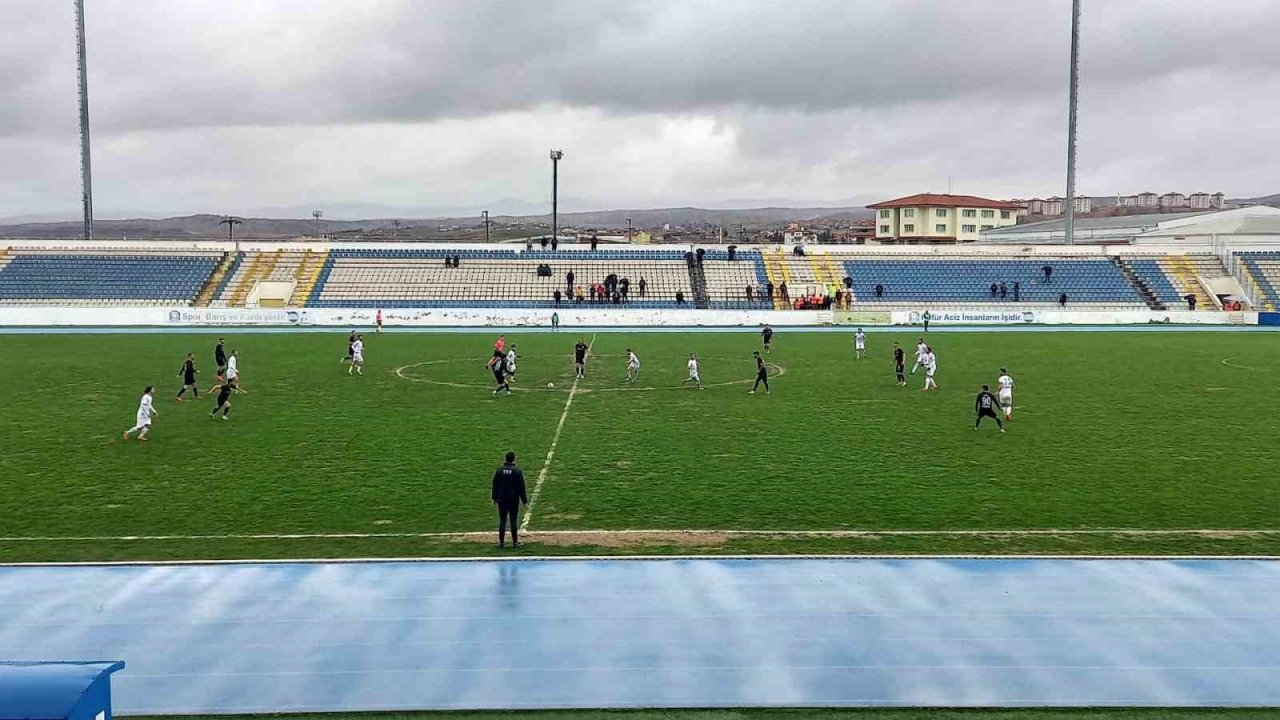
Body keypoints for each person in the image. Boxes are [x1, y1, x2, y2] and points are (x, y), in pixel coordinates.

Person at [492, 451, 528, 548]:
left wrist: (494, 497)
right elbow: (521, 487)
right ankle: (515, 543)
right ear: (513, 459)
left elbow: (495, 485)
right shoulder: (517, 471)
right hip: (513, 499)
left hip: (502, 499)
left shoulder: (499, 470)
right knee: (513, 520)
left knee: (502, 520)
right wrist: (524, 500)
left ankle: (501, 543)